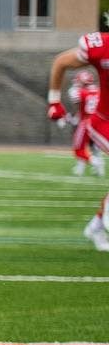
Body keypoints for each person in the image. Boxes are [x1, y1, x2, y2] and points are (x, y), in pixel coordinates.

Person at [47, 22, 109, 250]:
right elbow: (61, 62)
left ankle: (96, 226)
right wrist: (54, 101)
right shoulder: (101, 46)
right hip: (103, 122)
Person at [66, 69, 104, 177]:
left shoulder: (79, 92)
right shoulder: (99, 91)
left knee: (79, 148)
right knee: (95, 148)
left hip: (85, 122)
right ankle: (96, 171)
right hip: (98, 122)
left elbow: (76, 103)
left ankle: (95, 163)